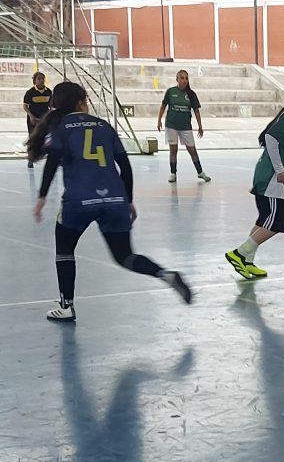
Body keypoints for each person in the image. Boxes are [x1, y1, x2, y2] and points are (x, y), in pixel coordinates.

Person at [29, 81, 192, 322]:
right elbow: (124, 166)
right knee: (124, 255)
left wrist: (42, 197)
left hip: (78, 201)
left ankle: (66, 305)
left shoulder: (61, 127)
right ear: (80, 103)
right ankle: (166, 275)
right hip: (115, 199)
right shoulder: (104, 126)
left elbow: (52, 161)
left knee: (64, 249)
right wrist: (128, 200)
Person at [225, 80, 284, 279]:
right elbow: (271, 137)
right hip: (272, 178)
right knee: (277, 222)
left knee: (264, 221)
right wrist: (279, 170)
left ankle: (247, 261)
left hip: (267, 176)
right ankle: (239, 253)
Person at [157, 69, 210, 184]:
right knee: (173, 149)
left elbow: (196, 111)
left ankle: (200, 172)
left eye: (186, 78)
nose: (184, 80)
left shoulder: (191, 94)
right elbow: (163, 106)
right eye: (182, 78)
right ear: (177, 79)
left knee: (192, 150)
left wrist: (200, 126)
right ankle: (173, 173)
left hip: (185, 126)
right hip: (171, 125)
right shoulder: (170, 92)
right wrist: (159, 120)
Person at [22, 70, 52, 168]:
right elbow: (25, 106)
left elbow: (51, 106)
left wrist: (48, 116)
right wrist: (31, 116)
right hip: (33, 118)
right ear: (34, 81)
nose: (41, 80)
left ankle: (51, 157)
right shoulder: (30, 92)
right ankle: (30, 159)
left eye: (43, 78)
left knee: (47, 136)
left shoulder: (48, 92)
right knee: (32, 137)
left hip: (44, 118)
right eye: (39, 78)